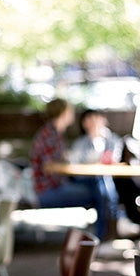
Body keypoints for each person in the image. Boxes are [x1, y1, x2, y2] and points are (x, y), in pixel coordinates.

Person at [30, 99, 112, 240]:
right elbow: (48, 166)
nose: (72, 114)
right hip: (47, 190)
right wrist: (68, 164)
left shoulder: (54, 133)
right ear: (63, 113)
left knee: (99, 185)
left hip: (56, 185)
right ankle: (102, 236)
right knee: (99, 191)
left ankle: (105, 232)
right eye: (70, 111)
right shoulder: (50, 135)